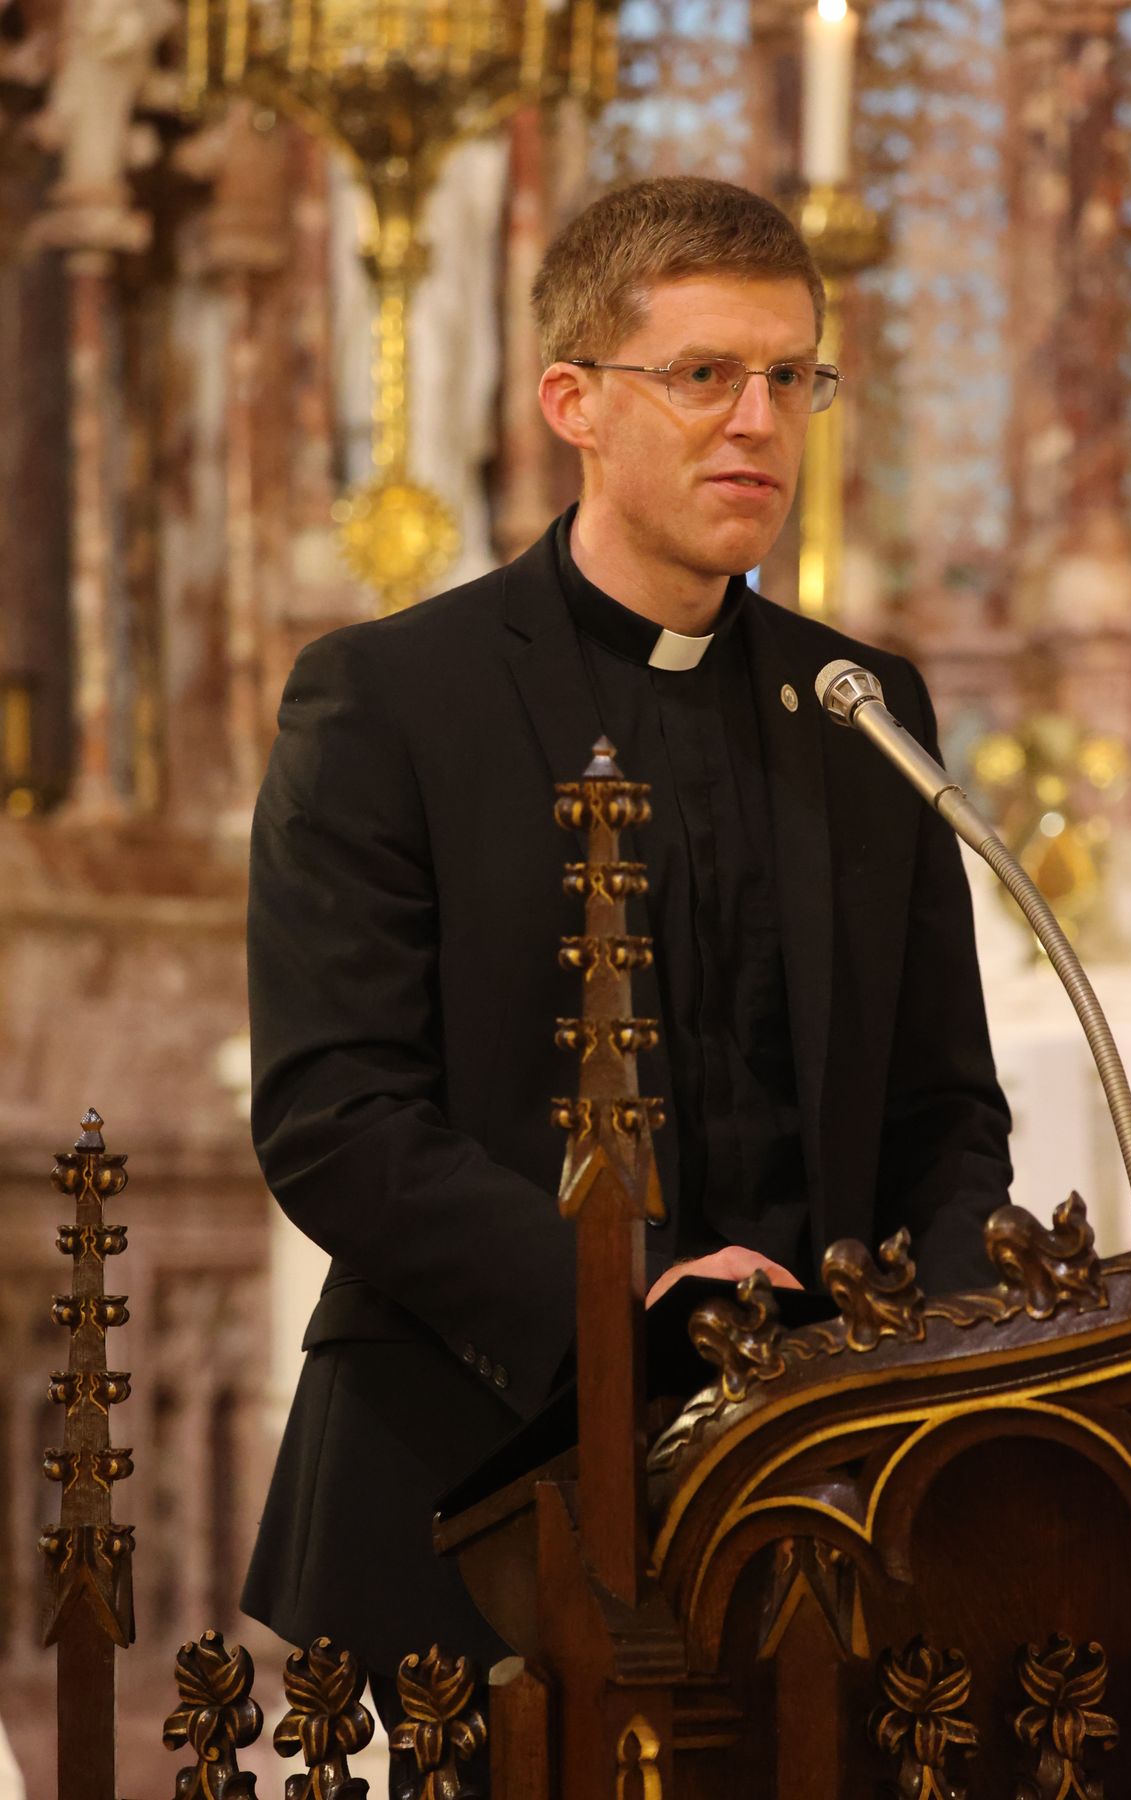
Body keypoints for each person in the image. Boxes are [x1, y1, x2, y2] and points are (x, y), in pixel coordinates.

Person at [241, 176, 1011, 1737]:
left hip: (823, 1501)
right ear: (573, 403)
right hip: (485, 1473)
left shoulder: (864, 707)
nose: (759, 423)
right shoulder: (391, 697)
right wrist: (631, 1300)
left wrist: (909, 1383)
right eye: (705, 374)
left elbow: (948, 1110)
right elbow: (338, 1114)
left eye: (792, 376)